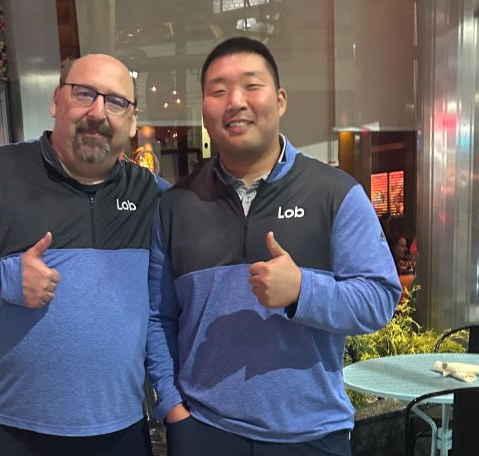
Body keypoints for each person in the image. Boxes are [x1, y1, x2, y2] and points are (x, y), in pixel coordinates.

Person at [146, 37, 401, 456]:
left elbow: (379, 300)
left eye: (251, 85)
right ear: (204, 109)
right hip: (205, 430)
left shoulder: (334, 192)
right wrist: (173, 408)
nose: (235, 101)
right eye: (218, 90)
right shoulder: (176, 204)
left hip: (311, 434)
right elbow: (158, 317)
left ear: (280, 100)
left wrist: (303, 290)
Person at [0, 54, 165, 456]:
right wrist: (5, 280)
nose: (98, 112)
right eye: (84, 94)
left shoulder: (149, 193)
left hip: (122, 426)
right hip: (17, 431)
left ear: (131, 122)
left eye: (115, 102)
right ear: (57, 101)